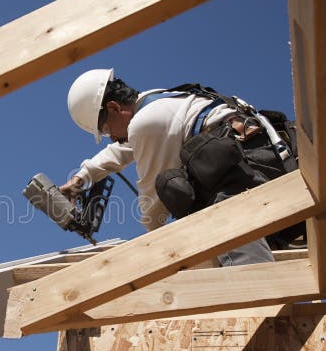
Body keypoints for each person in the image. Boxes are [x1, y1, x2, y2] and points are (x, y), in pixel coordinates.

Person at [59, 68, 278, 267]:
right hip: (264, 165)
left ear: (114, 107)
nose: (112, 138)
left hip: (240, 184)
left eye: (106, 130)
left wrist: (156, 252)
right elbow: (123, 149)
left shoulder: (146, 121)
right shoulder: (159, 102)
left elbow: (153, 203)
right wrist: (82, 177)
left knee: (246, 280)